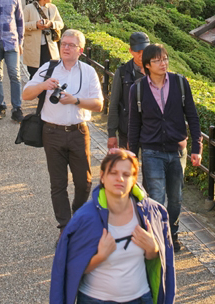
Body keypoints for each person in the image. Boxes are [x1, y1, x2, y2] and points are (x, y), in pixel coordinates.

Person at [50, 149, 174, 304]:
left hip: (141, 298)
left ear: (134, 179)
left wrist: (153, 250)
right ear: (102, 176)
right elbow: (70, 269)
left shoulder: (151, 213)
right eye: (113, 173)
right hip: (94, 300)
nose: (120, 179)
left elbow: (164, 264)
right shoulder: (84, 218)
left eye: (126, 174)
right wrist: (100, 256)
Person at [22, 30, 103, 231]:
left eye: (71, 45)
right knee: (57, 184)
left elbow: (98, 104)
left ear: (80, 50)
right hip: (52, 133)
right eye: (63, 44)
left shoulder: (88, 71)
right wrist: (43, 85)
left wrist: (76, 100)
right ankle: (66, 227)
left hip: (78, 132)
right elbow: (26, 95)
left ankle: (77, 215)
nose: (65, 48)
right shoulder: (49, 68)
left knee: (84, 183)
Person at [128, 44, 203, 252]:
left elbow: (192, 117)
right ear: (147, 65)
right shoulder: (138, 89)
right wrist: (132, 157)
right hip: (151, 151)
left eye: (165, 59)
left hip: (177, 150)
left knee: (176, 198)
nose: (163, 63)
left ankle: (173, 232)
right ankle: (158, 238)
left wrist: (197, 147)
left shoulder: (180, 83)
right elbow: (134, 125)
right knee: (156, 197)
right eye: (158, 60)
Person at [107, 32, 150, 152]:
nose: (142, 55)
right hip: (127, 131)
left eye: (145, 50)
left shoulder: (156, 70)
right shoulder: (122, 72)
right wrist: (111, 133)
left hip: (151, 132)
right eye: (138, 52)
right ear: (131, 51)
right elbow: (114, 103)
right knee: (127, 168)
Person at [22, 0, 64, 80]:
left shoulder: (53, 8)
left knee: (50, 75)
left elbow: (61, 24)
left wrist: (51, 24)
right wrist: (35, 25)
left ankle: (46, 95)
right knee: (35, 75)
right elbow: (21, 26)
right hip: (33, 48)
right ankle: (36, 94)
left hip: (49, 47)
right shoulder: (29, 8)